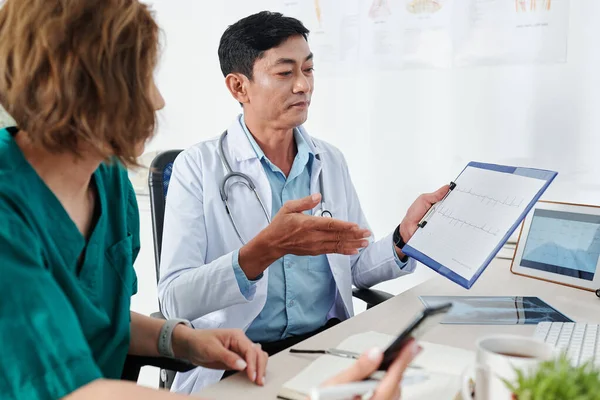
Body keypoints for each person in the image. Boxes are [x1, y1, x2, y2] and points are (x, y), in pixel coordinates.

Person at [158, 11, 448, 393]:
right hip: (242, 360)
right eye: (285, 73)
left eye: (308, 70)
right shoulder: (196, 168)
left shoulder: (329, 160)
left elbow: (353, 268)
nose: (303, 86)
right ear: (238, 87)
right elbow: (173, 301)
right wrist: (262, 252)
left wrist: (402, 239)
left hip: (323, 349)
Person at [0, 0, 267, 398]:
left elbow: (101, 321)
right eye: (141, 78)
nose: (157, 100)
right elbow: (68, 388)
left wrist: (181, 340)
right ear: (80, 87)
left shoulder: (109, 182)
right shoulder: (8, 208)